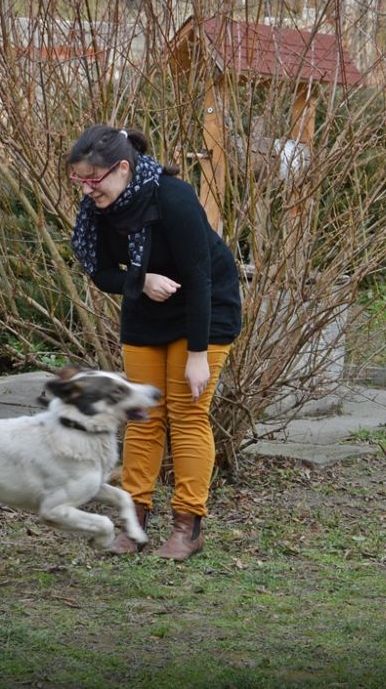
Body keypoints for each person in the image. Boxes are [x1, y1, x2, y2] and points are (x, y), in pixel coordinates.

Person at [67, 124, 242, 561]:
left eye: (93, 179)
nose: (87, 190)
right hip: (147, 309)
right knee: (142, 415)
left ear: (123, 168)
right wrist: (141, 280)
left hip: (205, 309)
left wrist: (198, 355)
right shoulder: (99, 209)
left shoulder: (173, 198)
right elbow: (100, 272)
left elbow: (200, 278)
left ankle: (188, 526)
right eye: (79, 180)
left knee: (187, 415)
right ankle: (134, 522)